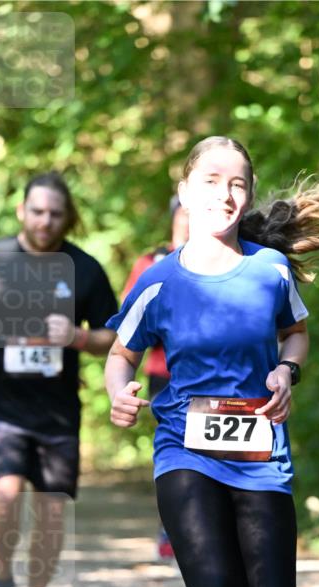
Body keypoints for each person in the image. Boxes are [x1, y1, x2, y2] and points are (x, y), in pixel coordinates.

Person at [105, 136, 319, 587]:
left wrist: (286, 369)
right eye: (211, 179)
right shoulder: (160, 279)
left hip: (260, 456)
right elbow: (121, 353)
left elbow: (295, 332)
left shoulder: (269, 271)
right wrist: (117, 390)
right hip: (184, 449)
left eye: (237, 182)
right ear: (184, 191)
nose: (225, 193)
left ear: (246, 194)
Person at [0, 171, 118, 587]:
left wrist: (80, 336)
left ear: (67, 218)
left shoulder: (85, 268)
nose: (45, 221)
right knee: (2, 497)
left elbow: (114, 336)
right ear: (22, 210)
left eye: (55, 214)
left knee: (52, 510)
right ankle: (1, 583)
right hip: (1, 404)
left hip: (58, 410)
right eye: (37, 211)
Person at [121, 196, 189, 559]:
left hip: (219, 379)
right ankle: (170, 526)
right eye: (184, 212)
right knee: (174, 449)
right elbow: (128, 315)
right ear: (175, 215)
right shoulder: (152, 263)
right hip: (165, 374)